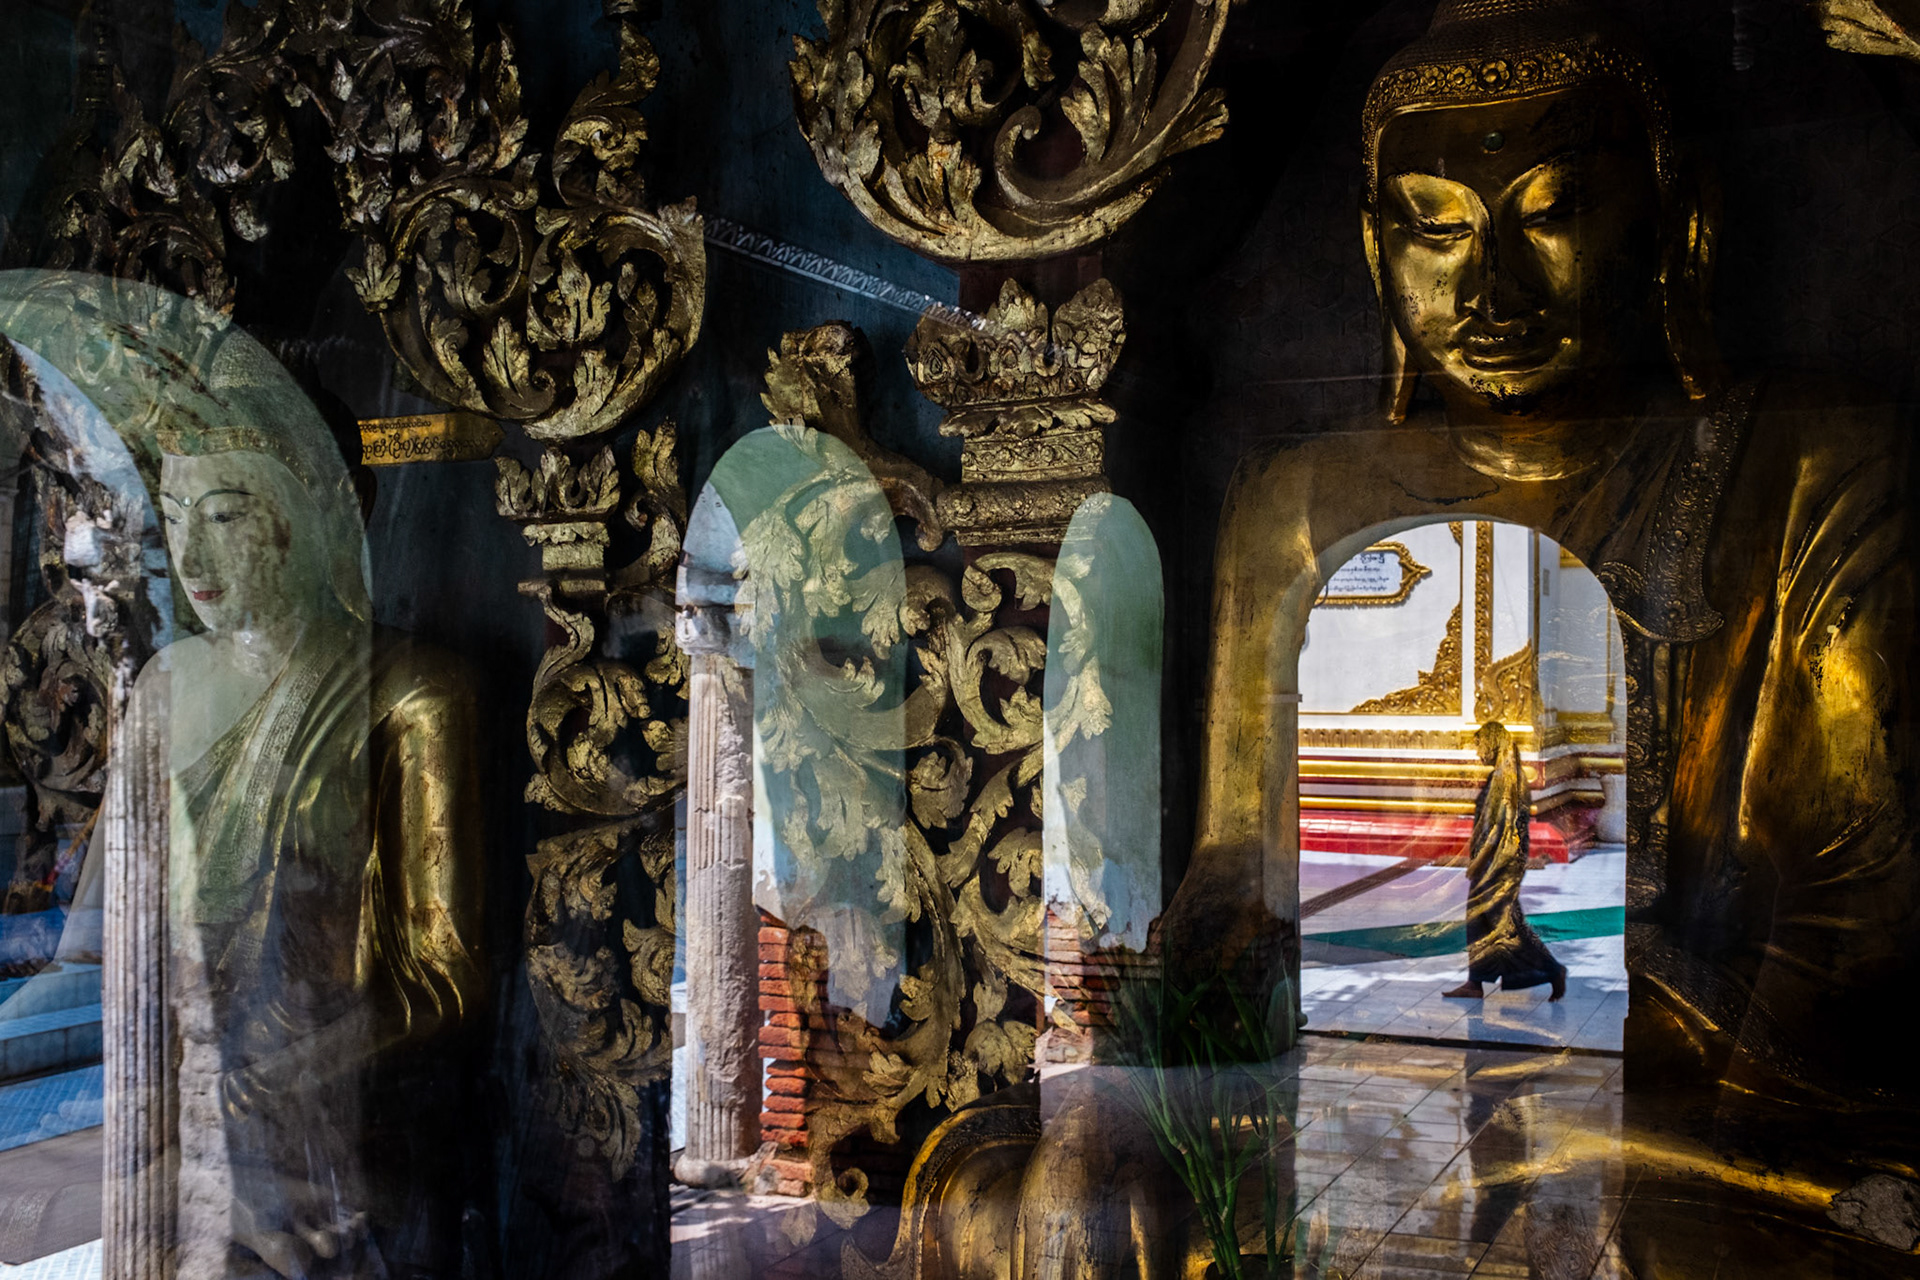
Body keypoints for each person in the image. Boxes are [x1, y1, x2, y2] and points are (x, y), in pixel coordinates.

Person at [1441, 721, 1566, 1002]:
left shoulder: (1505, 779)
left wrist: (1478, 863)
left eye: (1480, 746)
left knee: (1506, 924)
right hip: (1496, 862)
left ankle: (1551, 969)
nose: (1478, 753)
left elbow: (1496, 829)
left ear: (1492, 744)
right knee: (1480, 922)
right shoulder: (1503, 775)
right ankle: (1475, 982)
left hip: (1497, 864)